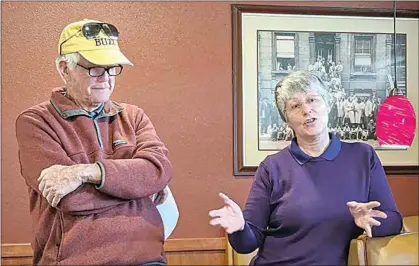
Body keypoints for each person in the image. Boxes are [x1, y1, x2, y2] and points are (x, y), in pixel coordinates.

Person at [15, 19, 174, 265]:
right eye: (95, 69)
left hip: (148, 259)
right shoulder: (36, 122)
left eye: (112, 68)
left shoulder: (133, 116)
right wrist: (137, 187)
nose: (106, 78)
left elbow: (159, 171)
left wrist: (87, 173)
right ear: (65, 68)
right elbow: (70, 199)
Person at [209, 71, 402, 265]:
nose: (306, 110)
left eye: (312, 100)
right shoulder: (272, 167)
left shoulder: (363, 156)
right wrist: (240, 228)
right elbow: (248, 243)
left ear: (328, 104)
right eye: (295, 105)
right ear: (286, 119)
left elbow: (394, 221)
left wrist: (369, 222)